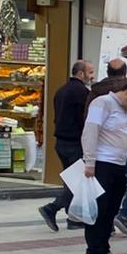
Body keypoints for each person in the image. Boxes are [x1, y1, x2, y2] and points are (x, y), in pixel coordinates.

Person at [81, 77, 127, 254]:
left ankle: (104, 248)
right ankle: (94, 250)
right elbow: (90, 131)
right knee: (100, 208)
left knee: (111, 209)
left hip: (119, 164)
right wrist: (90, 162)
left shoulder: (126, 112)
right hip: (101, 163)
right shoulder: (102, 103)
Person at [39, 59, 94, 232]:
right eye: (90, 72)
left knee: (72, 179)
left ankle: (73, 218)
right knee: (77, 182)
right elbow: (84, 119)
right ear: (81, 73)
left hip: (61, 142)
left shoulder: (61, 90)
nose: (92, 76)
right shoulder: (82, 93)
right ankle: (52, 208)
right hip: (74, 142)